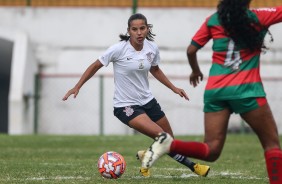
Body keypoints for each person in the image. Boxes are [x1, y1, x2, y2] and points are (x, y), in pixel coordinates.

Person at [141, 1, 282, 183]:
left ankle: (169, 144)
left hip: (216, 91)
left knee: (211, 149)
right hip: (247, 90)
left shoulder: (214, 20)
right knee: (272, 145)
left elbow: (191, 50)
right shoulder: (258, 17)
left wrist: (195, 70)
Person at [62, 13, 210, 177]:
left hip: (148, 102)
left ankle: (146, 155)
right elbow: (95, 65)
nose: (139, 32)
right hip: (126, 106)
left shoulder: (152, 48)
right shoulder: (118, 49)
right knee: (163, 138)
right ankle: (194, 167)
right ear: (129, 31)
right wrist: (77, 86)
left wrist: (173, 88)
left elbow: (155, 69)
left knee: (170, 141)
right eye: (134, 29)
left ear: (147, 29)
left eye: (142, 28)